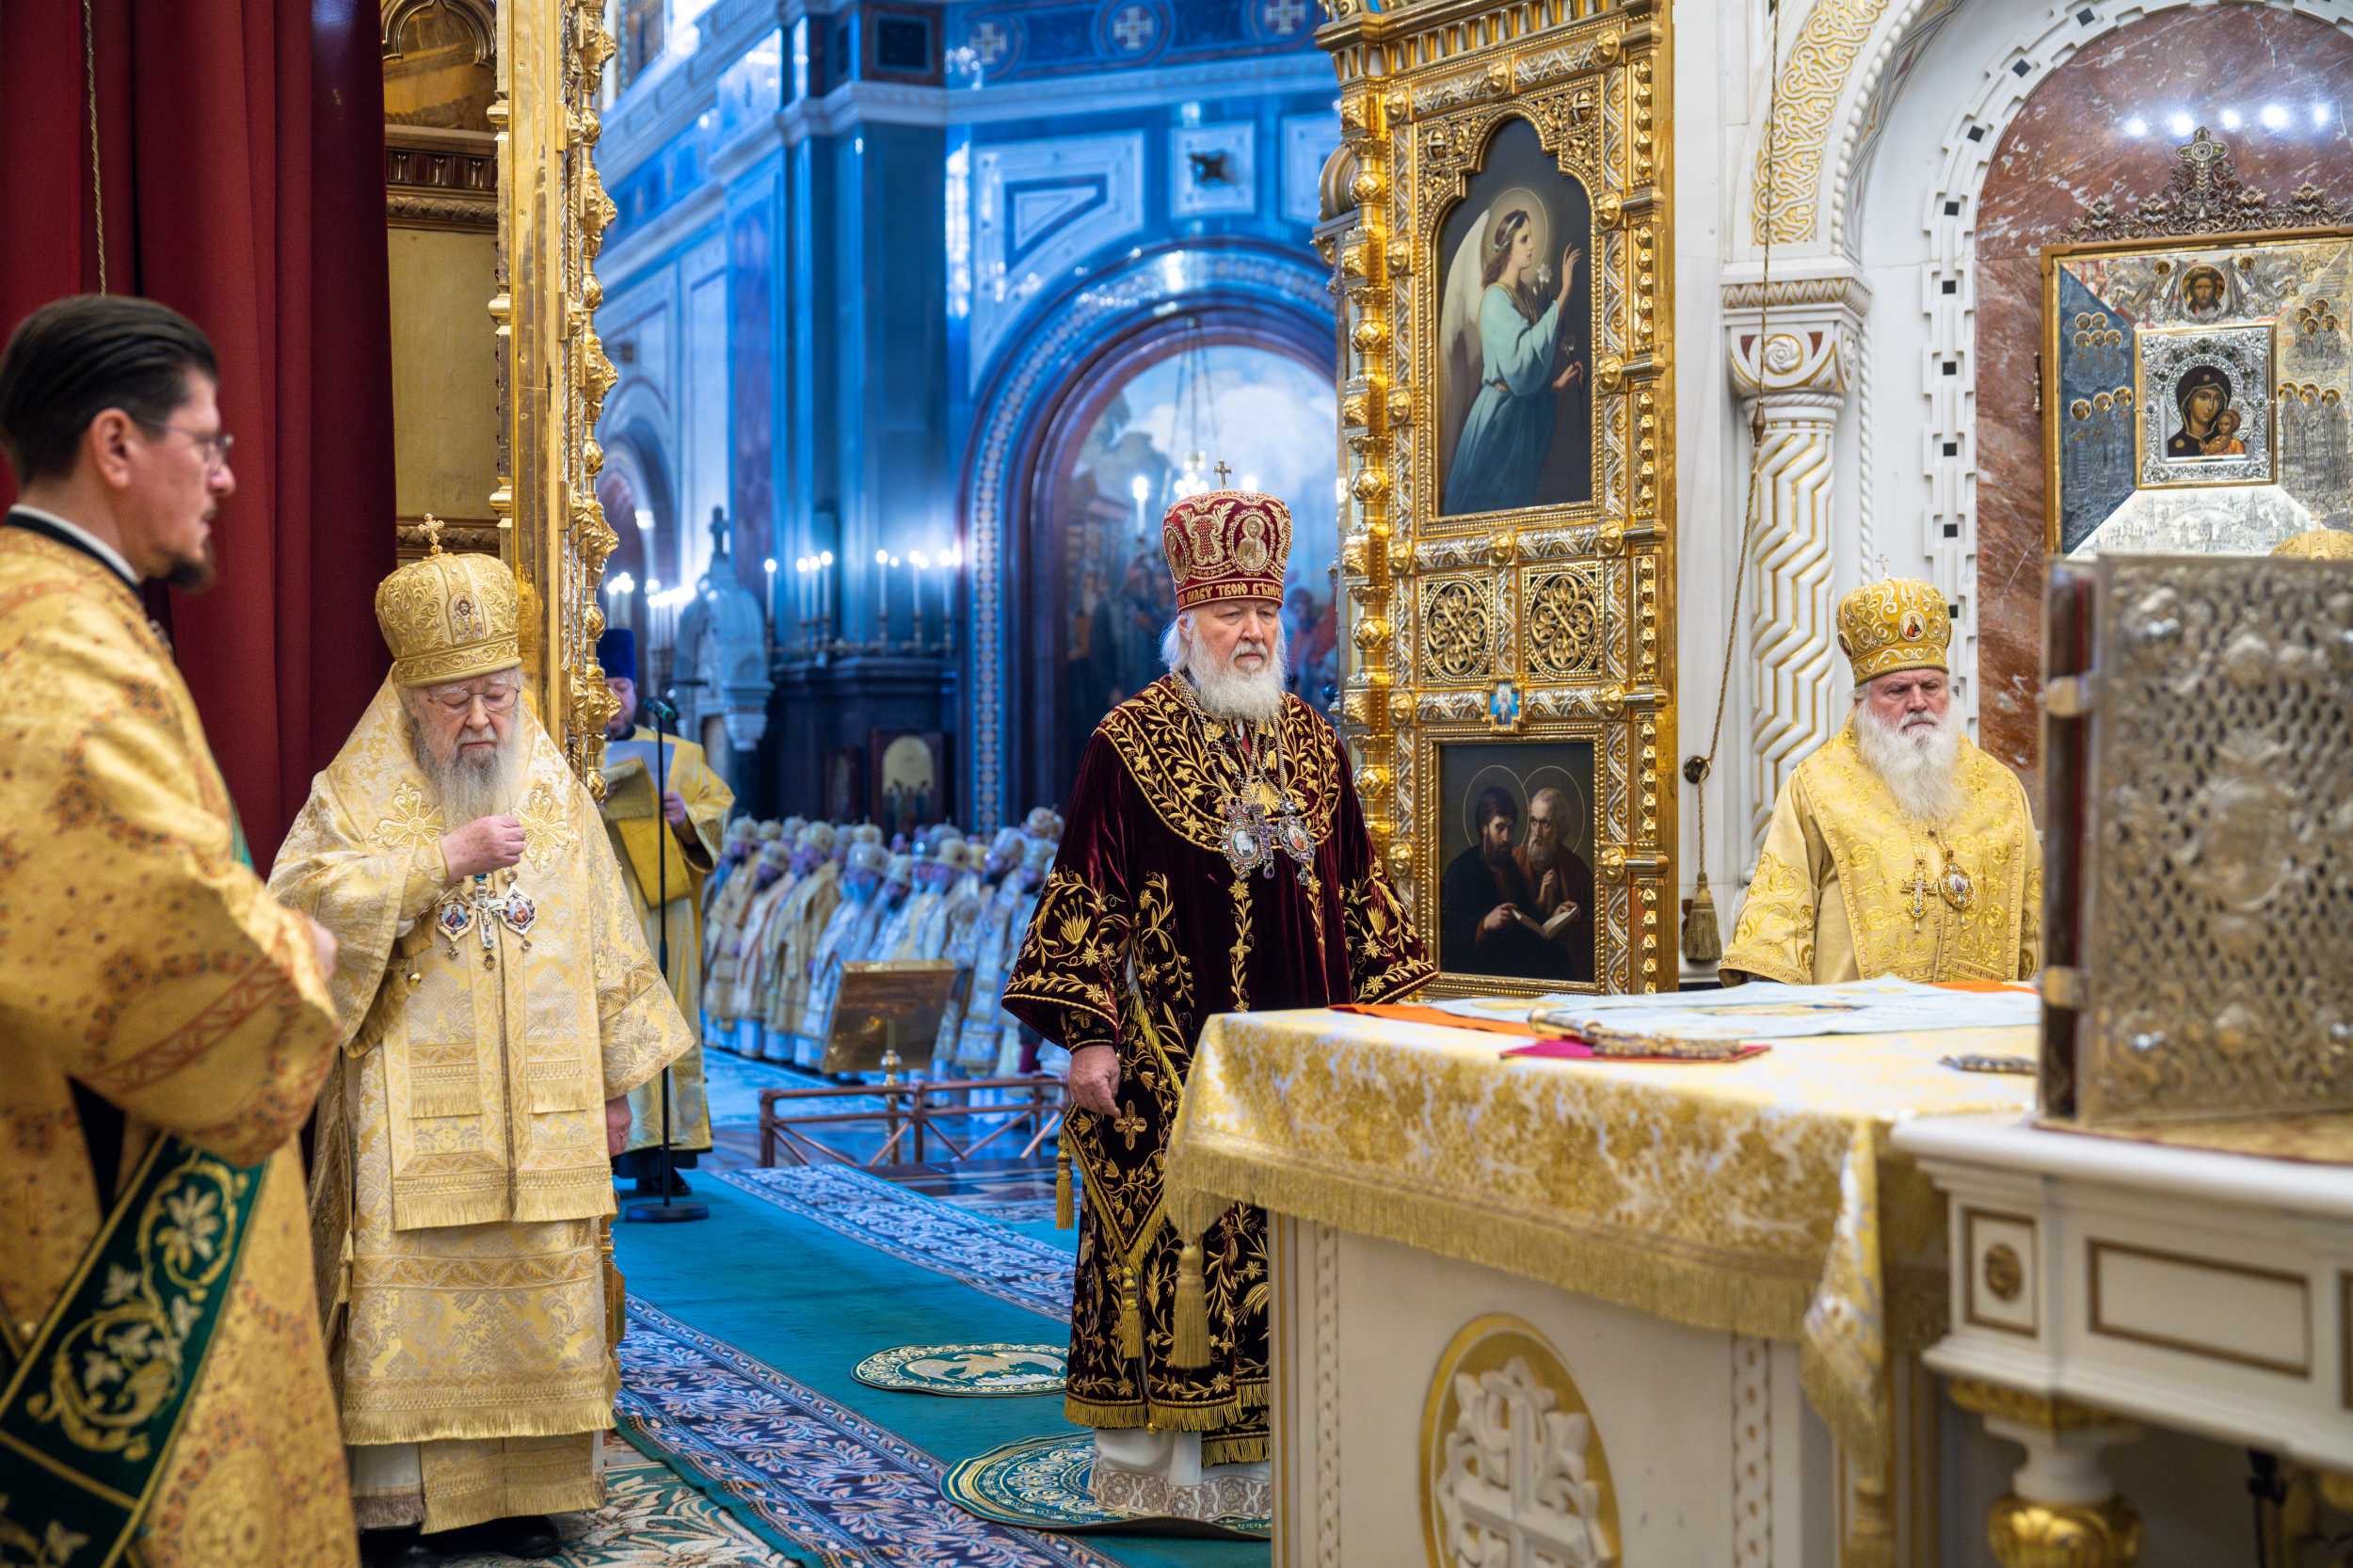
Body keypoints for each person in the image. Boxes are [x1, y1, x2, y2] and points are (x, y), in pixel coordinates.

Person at [0, 295, 359, 1565]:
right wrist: (295, 956)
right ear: (114, 443)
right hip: (107, 1201)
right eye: (205, 443)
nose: (226, 477)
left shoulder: (62, 609)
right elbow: (128, 916)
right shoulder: (56, 638)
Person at [1004, 487, 1433, 1522]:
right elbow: (1088, 896)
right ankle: (1163, 1479)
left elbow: (1361, 893)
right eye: (1230, 613)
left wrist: (1400, 1022)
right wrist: (1089, 1039)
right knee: (1175, 1266)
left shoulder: (1315, 744)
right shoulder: (1127, 741)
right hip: (1170, 1067)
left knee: (1295, 1260)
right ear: (1186, 621)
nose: (1252, 632)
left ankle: (1286, 1469)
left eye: (1265, 613)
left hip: (1302, 1073)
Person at [269, 535, 695, 1557]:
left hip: (545, 1113)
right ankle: (400, 1505)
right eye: (454, 700)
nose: (481, 721)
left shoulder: (549, 788)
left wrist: (614, 1087)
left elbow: (605, 935)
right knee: (410, 1297)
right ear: (410, 698)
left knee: (540, 1290)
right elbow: (295, 909)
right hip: (410, 1117)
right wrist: (436, 860)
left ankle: (522, 1496)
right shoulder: (357, 792)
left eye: (498, 695)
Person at [1721, 578, 2041, 985]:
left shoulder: (2000, 790)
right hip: (1853, 1020)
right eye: (1897, 690)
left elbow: (2036, 928)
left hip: (1977, 1018)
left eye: (1931, 686)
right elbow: (1776, 929)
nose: (1918, 702)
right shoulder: (1818, 787)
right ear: (1862, 702)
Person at [596, 626, 734, 1197]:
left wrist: (685, 819)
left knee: (667, 1017)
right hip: (599, 911)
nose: (613, 700)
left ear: (637, 691)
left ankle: (665, 1148)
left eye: (622, 687)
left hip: (663, 912)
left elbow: (716, 810)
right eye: (601, 687)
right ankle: (605, 1152)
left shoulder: (678, 754)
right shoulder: (561, 754)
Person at [1442, 202, 1583, 516]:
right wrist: (1564, 293)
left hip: (1518, 416)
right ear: (1507, 249)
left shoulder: (1522, 295)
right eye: (1524, 239)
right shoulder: (1495, 299)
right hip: (1498, 422)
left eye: (1532, 237)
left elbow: (1523, 373)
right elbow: (1520, 362)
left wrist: (1554, 386)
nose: (1532, 246)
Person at [796, 825, 890, 1065]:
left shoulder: (878, 908)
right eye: (851, 873)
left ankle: (849, 1068)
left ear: (876, 878)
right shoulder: (848, 901)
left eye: (861, 875)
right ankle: (831, 1063)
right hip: (834, 971)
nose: (854, 879)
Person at [1439, 786, 1555, 979]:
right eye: (1500, 828)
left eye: (1510, 828)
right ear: (1484, 828)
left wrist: (1549, 910)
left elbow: (1524, 917)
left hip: (1515, 963)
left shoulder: (1510, 866)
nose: (1507, 838)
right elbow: (1447, 938)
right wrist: (1484, 924)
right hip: (1483, 972)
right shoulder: (1460, 871)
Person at [760, 821, 844, 1063]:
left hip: (807, 953)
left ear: (818, 854)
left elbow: (824, 923)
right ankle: (791, 1055)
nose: (800, 855)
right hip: (794, 951)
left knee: (807, 1005)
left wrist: (817, 954)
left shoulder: (826, 884)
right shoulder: (807, 878)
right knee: (791, 1004)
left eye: (806, 850)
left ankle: (808, 1059)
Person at [1516, 784, 1595, 980]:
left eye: (1545, 824)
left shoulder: (1576, 869)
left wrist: (1570, 918)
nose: (1537, 832)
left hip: (1561, 971)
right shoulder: (1513, 860)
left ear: (1559, 828)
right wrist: (1541, 902)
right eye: (1534, 822)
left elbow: (1593, 928)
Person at [2166, 365, 2234, 457]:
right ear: (2188, 402)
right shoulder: (2171, 447)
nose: (2210, 406)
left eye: (2217, 399)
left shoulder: (2230, 444)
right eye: (2203, 397)